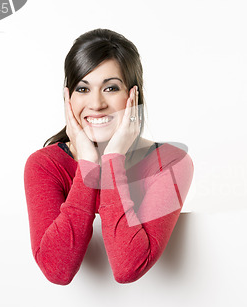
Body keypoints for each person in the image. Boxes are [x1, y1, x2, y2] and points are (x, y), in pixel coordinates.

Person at [24, 28, 194, 285]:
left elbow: (128, 267)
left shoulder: (171, 163)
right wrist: (88, 166)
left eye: (111, 88)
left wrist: (112, 158)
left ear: (132, 95)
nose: (96, 103)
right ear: (67, 98)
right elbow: (57, 271)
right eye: (83, 89)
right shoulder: (45, 165)